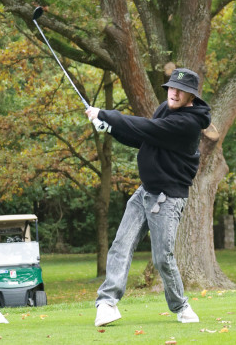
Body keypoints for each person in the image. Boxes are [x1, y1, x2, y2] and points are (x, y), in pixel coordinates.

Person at [85, 68, 211, 326]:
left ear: (192, 97)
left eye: (181, 91)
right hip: (146, 190)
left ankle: (181, 306)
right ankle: (107, 303)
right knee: (121, 244)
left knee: (161, 258)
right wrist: (109, 127)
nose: (174, 93)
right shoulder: (166, 109)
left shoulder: (188, 124)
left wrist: (107, 114)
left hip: (167, 198)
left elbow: (146, 127)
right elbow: (143, 136)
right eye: (171, 88)